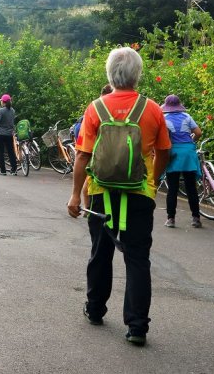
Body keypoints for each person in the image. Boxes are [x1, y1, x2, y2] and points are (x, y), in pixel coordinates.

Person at [67, 47, 171, 347]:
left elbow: (83, 156)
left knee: (101, 253)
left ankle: (96, 309)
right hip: (139, 194)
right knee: (138, 259)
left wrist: (75, 195)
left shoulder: (95, 108)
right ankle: (137, 326)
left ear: (109, 74)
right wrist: (154, 179)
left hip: (101, 194)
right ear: (137, 74)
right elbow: (165, 151)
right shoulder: (152, 109)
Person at [160, 94, 203, 229]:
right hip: (188, 154)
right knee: (191, 188)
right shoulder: (187, 117)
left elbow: (164, 139)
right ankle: (196, 218)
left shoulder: (164, 119)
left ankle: (171, 219)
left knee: (172, 188)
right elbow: (198, 132)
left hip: (174, 154)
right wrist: (191, 141)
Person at [0, 94, 18, 175]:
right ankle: (14, 170)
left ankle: (3, 170)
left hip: (0, 134)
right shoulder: (13, 110)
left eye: (1, 101)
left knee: (0, 152)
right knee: (11, 152)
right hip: (9, 134)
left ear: (3, 102)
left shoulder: (1, 111)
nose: (1, 102)